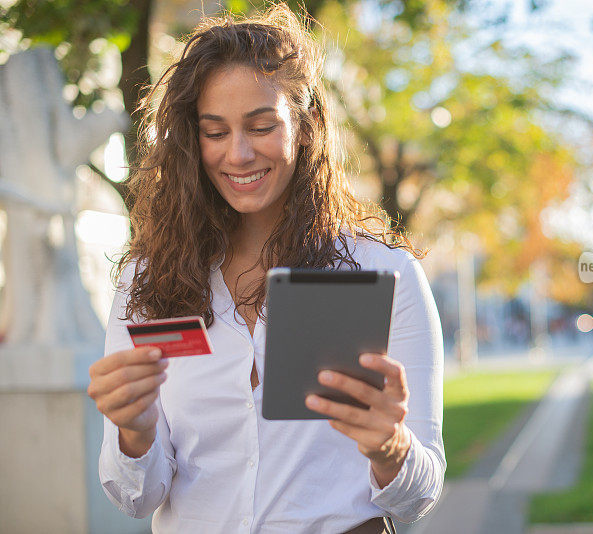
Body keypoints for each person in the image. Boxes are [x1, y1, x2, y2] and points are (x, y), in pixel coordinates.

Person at [86, 4, 445, 533]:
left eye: (260, 126)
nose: (238, 154)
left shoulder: (385, 272)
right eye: (214, 132)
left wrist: (390, 447)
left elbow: (421, 495)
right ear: (192, 139)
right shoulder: (145, 280)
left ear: (305, 127)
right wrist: (133, 433)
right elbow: (136, 498)